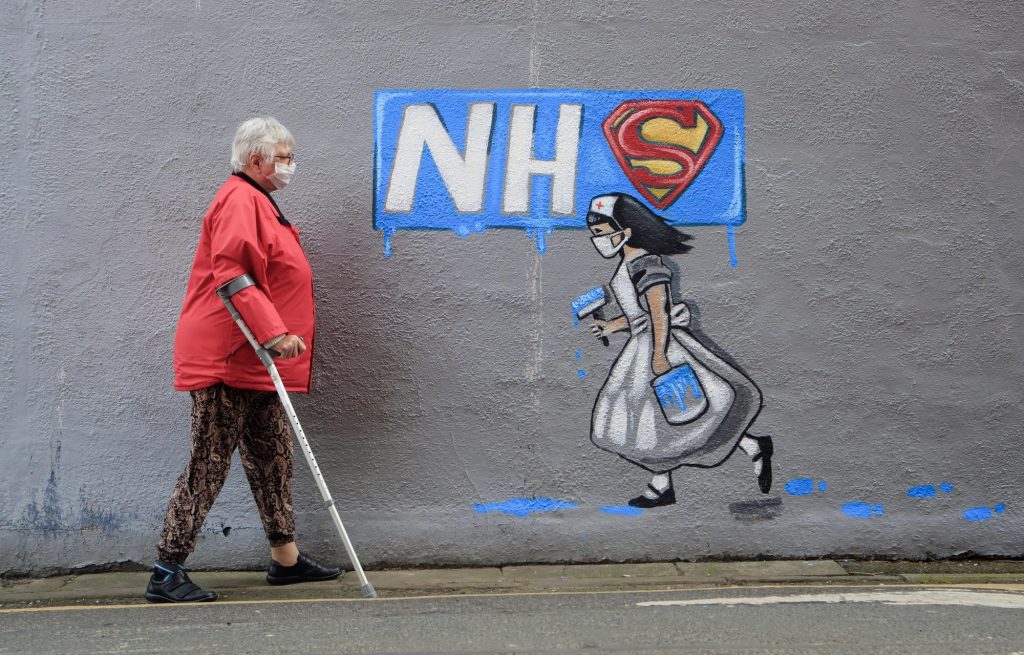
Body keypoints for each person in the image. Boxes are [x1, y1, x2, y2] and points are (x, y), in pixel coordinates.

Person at [146, 117, 339, 603]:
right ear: (256, 160)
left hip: (255, 360)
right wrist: (274, 333)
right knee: (208, 462)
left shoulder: (259, 201)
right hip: (231, 356)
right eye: (284, 156)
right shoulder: (239, 199)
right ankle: (166, 571)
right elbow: (232, 273)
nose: (291, 164)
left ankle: (286, 561)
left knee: (273, 458)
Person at [585, 193, 773, 508]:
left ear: (626, 231)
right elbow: (640, 315)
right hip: (642, 346)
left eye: (601, 232)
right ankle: (749, 448)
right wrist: (611, 326)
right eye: (594, 233)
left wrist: (659, 355)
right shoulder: (628, 263)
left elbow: (658, 313)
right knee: (658, 423)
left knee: (669, 418)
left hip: (658, 348)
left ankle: (665, 484)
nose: (597, 240)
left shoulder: (646, 263)